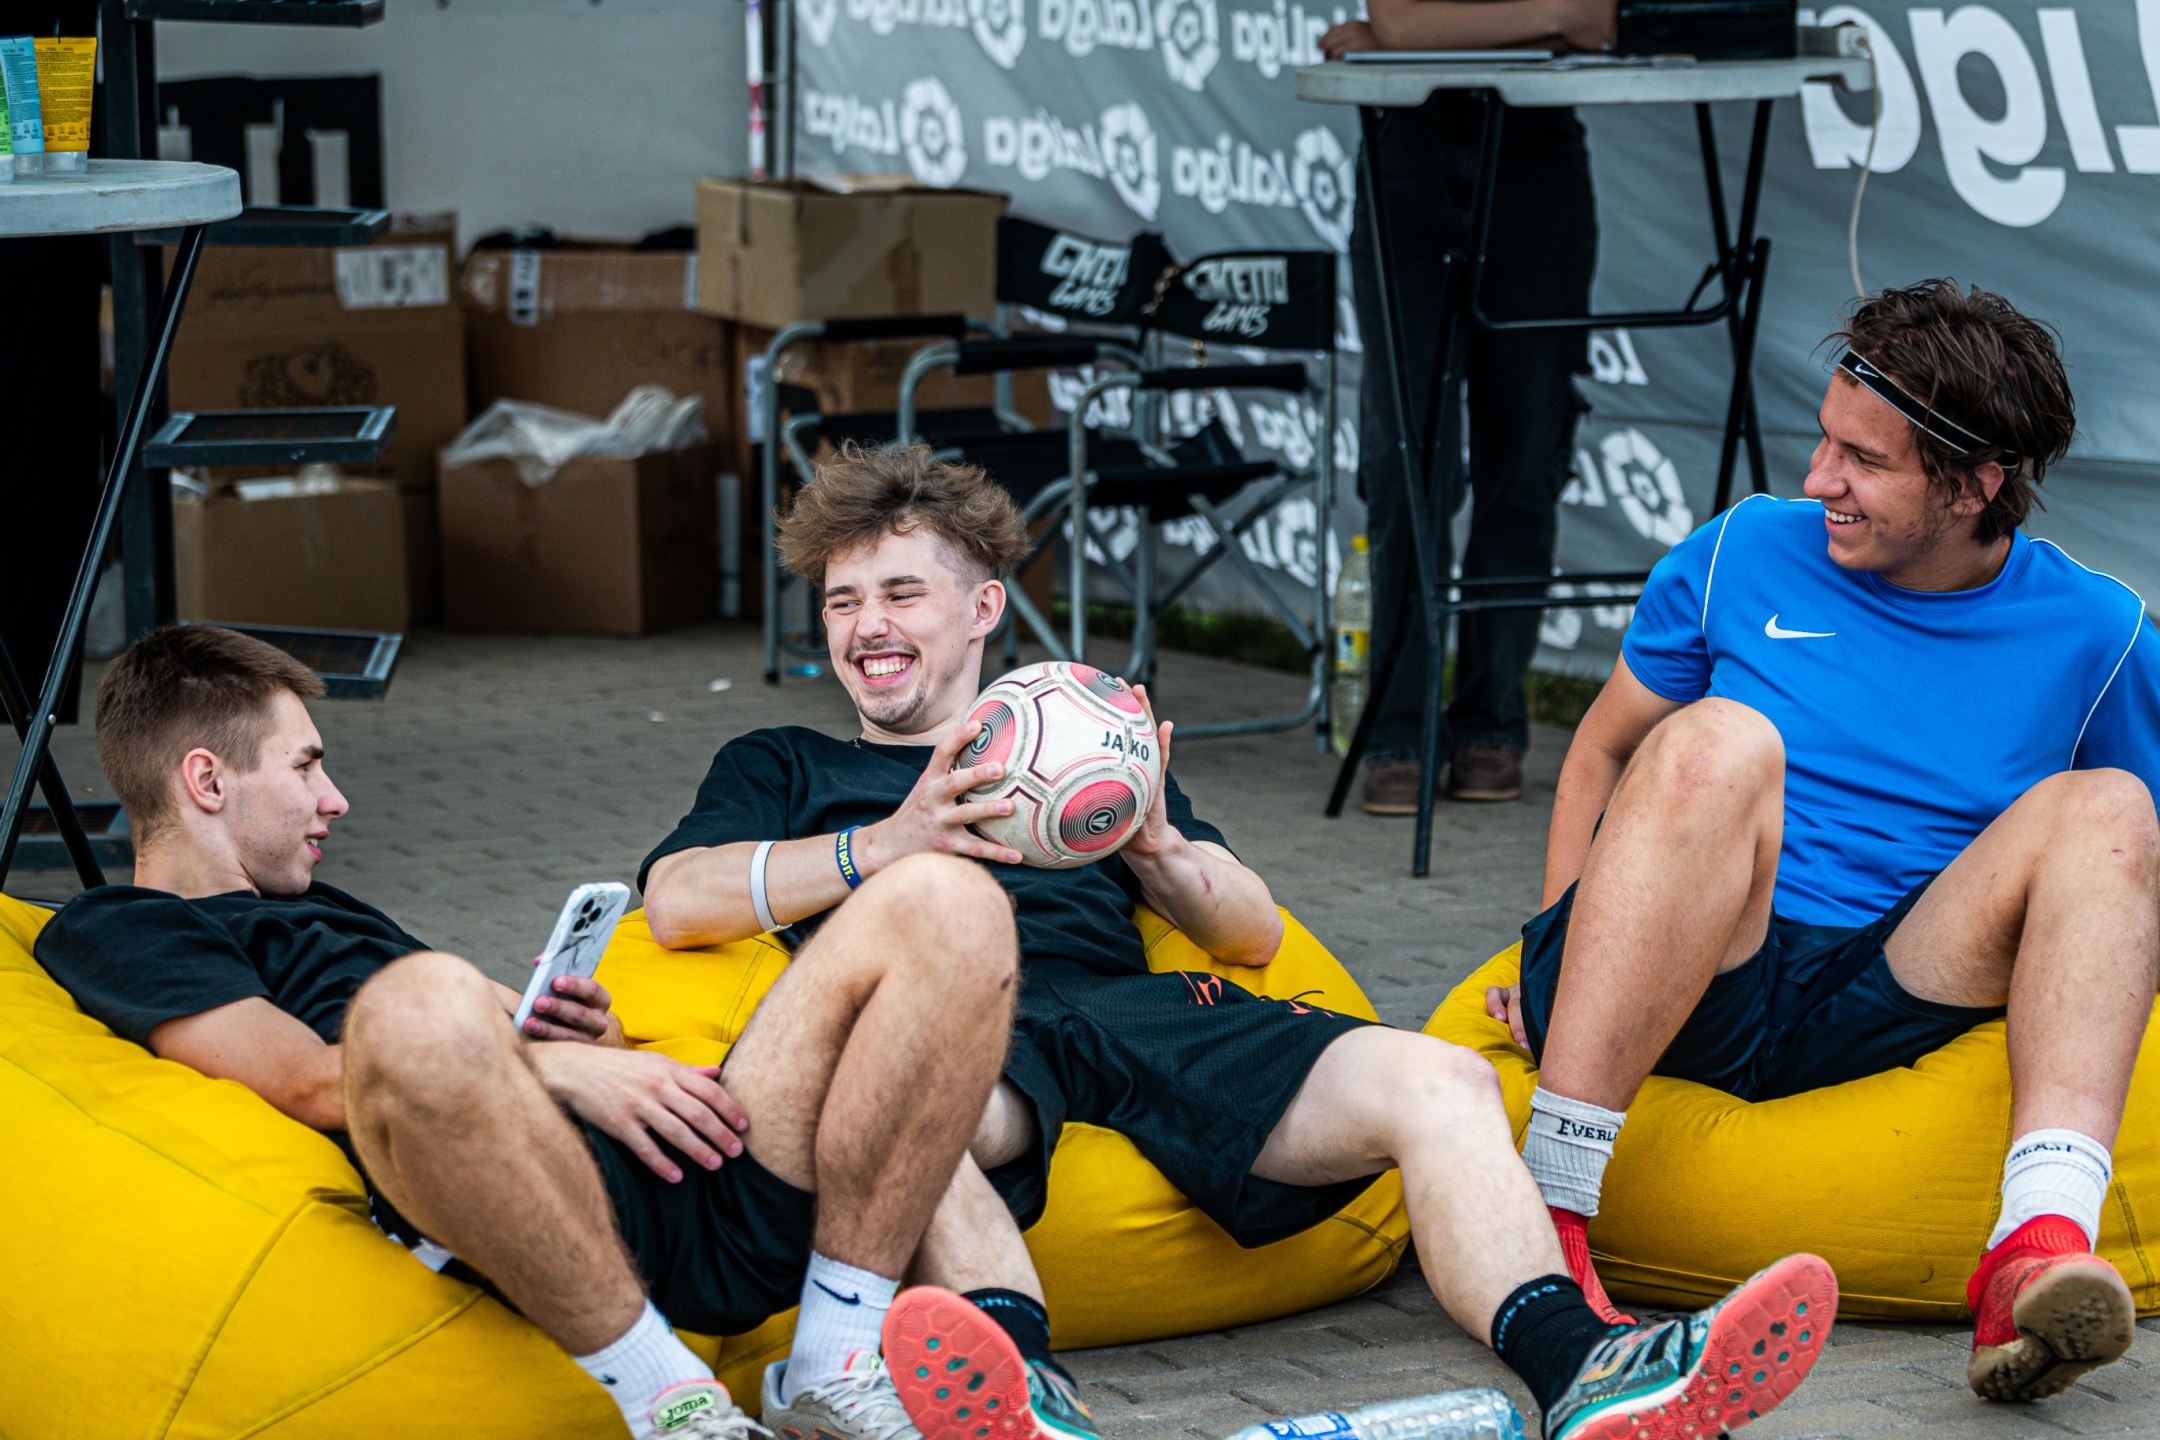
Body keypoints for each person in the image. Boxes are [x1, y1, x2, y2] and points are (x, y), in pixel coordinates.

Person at [641, 442, 1839, 1440]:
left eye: (900, 594)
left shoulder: (1083, 739)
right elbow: (677, 899)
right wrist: (884, 845)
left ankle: (1586, 1373)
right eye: (843, 601)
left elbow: (1253, 932)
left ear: (982, 609)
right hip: (972, 1034)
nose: (867, 627)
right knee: (894, 1097)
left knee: (1446, 1081)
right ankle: (1020, 1391)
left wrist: (1158, 845)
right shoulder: (784, 763)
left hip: (1146, 1015)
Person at [33, 624, 1044, 1440]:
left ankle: (833, 1367)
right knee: (422, 995)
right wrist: (552, 1070)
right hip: (536, 1217)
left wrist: (591, 1044)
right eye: (306, 766)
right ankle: (675, 1405)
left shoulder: (323, 906)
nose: (334, 798)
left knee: (947, 899)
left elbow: (507, 1047)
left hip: (690, 1177)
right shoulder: (121, 924)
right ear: (207, 782)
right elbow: (301, 1077)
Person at [1486, 280, 2160, 1402]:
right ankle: (1548, 1212)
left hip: (1887, 985)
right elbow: (1601, 751)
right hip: (1702, 957)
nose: (1818, 481)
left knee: (2114, 808)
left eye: (1864, 461)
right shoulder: (1742, 549)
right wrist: (1551, 936)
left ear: (1975, 485)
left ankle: (2035, 1247)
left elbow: (2125, 877)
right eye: (1824, 440)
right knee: (1722, 738)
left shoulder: (2103, 631)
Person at [1322, 0, 1613, 812]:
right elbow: (1403, 23)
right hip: (1409, 146)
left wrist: (1419, 33)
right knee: (1407, 462)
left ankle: (1491, 723)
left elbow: (1598, 21)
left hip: (1534, 148)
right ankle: (1400, 731)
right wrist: (1543, 21)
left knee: (1526, 451)